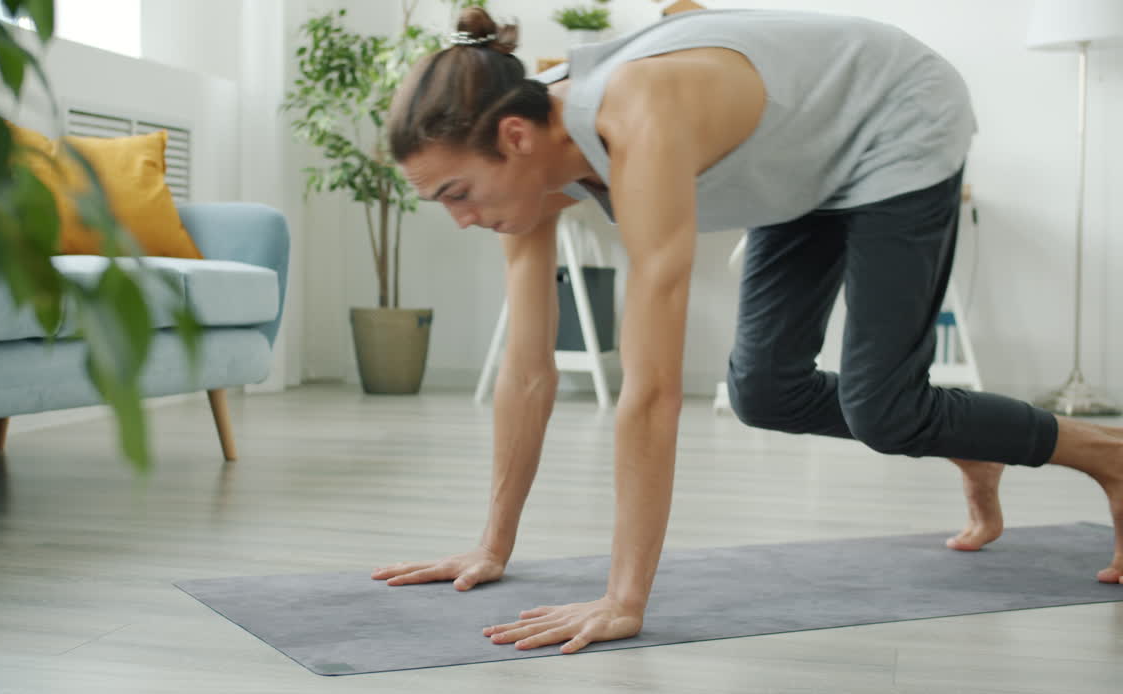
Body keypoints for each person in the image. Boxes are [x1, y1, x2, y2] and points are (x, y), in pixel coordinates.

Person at [371, 6, 1123, 656]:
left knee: (886, 408)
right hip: (804, 161)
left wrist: (624, 599)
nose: (461, 218)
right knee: (765, 391)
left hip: (894, 113)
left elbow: (653, 388)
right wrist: (492, 547)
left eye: (457, 193)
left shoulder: (638, 115)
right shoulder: (529, 163)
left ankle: (1109, 454)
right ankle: (965, 435)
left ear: (514, 136)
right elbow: (527, 371)